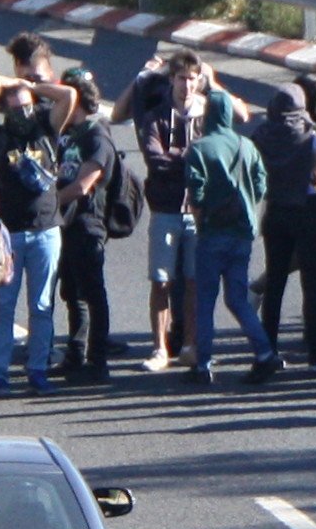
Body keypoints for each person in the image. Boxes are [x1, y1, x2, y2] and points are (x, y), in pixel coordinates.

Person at [0, 39, 84, 400]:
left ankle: (38, 368)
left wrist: (32, 87)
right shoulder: (0, 136)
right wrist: (2, 84)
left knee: (41, 305)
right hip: (11, 232)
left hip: (46, 230)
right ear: (5, 108)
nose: (22, 110)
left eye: (26, 105)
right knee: (5, 305)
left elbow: (68, 97)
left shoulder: (46, 126)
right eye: (15, 105)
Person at [115, 45, 202, 369]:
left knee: (193, 281)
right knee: (161, 281)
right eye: (182, 78)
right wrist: (187, 156)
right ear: (172, 80)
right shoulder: (155, 115)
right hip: (164, 208)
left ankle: (191, 344)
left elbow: (205, 158)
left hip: (195, 210)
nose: (187, 85)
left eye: (192, 79)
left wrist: (180, 156)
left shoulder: (204, 114)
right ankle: (160, 348)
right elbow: (156, 159)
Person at [184, 86, 272, 382]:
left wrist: (202, 214)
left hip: (212, 232)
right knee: (237, 298)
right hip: (243, 231)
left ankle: (203, 364)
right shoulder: (246, 145)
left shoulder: (199, 148)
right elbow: (261, 184)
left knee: (205, 300)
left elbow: (195, 193)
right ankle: (264, 352)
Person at [252, 79, 316, 363]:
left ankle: (269, 348)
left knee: (274, 281)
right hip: (308, 210)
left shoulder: (261, 135)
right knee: (313, 285)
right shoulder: (309, 137)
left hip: (275, 211)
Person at [54, 69, 125, 382]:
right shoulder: (70, 133)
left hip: (87, 223)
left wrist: (48, 202)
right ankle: (76, 352)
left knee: (93, 292)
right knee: (72, 292)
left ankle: (97, 360)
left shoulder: (97, 136)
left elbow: (83, 185)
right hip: (66, 224)